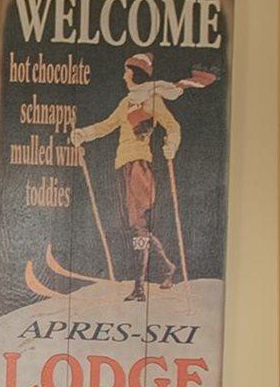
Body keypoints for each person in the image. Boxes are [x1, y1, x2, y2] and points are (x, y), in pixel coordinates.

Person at [70, 52, 219, 288]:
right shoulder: (126, 102)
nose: (123, 75)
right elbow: (106, 125)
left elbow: (173, 126)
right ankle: (168, 267)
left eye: (126, 71)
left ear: (134, 74)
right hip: (122, 166)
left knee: (138, 226)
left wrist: (171, 145)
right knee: (134, 228)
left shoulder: (152, 100)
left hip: (140, 166)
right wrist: (84, 134)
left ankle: (140, 285)